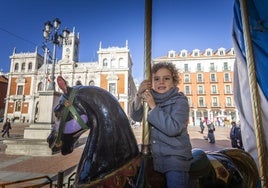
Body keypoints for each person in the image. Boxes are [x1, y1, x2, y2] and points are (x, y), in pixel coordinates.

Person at [131, 62, 193, 188]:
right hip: (154, 155)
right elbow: (136, 117)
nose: (161, 82)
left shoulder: (180, 101)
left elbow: (173, 128)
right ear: (151, 83)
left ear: (174, 81)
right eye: (156, 79)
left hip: (175, 158)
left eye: (166, 78)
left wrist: (153, 107)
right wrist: (138, 96)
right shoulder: (150, 98)